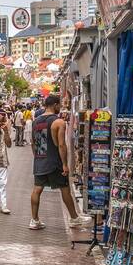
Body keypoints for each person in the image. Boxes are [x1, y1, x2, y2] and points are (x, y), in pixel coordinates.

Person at [29, 94, 93, 231]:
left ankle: (34, 220)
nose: (61, 107)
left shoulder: (36, 121)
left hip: (40, 160)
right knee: (65, 189)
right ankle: (74, 218)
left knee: (37, 189)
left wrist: (37, 157)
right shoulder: (59, 122)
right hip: (54, 161)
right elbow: (61, 145)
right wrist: (65, 164)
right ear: (55, 105)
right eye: (60, 105)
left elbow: (33, 143)